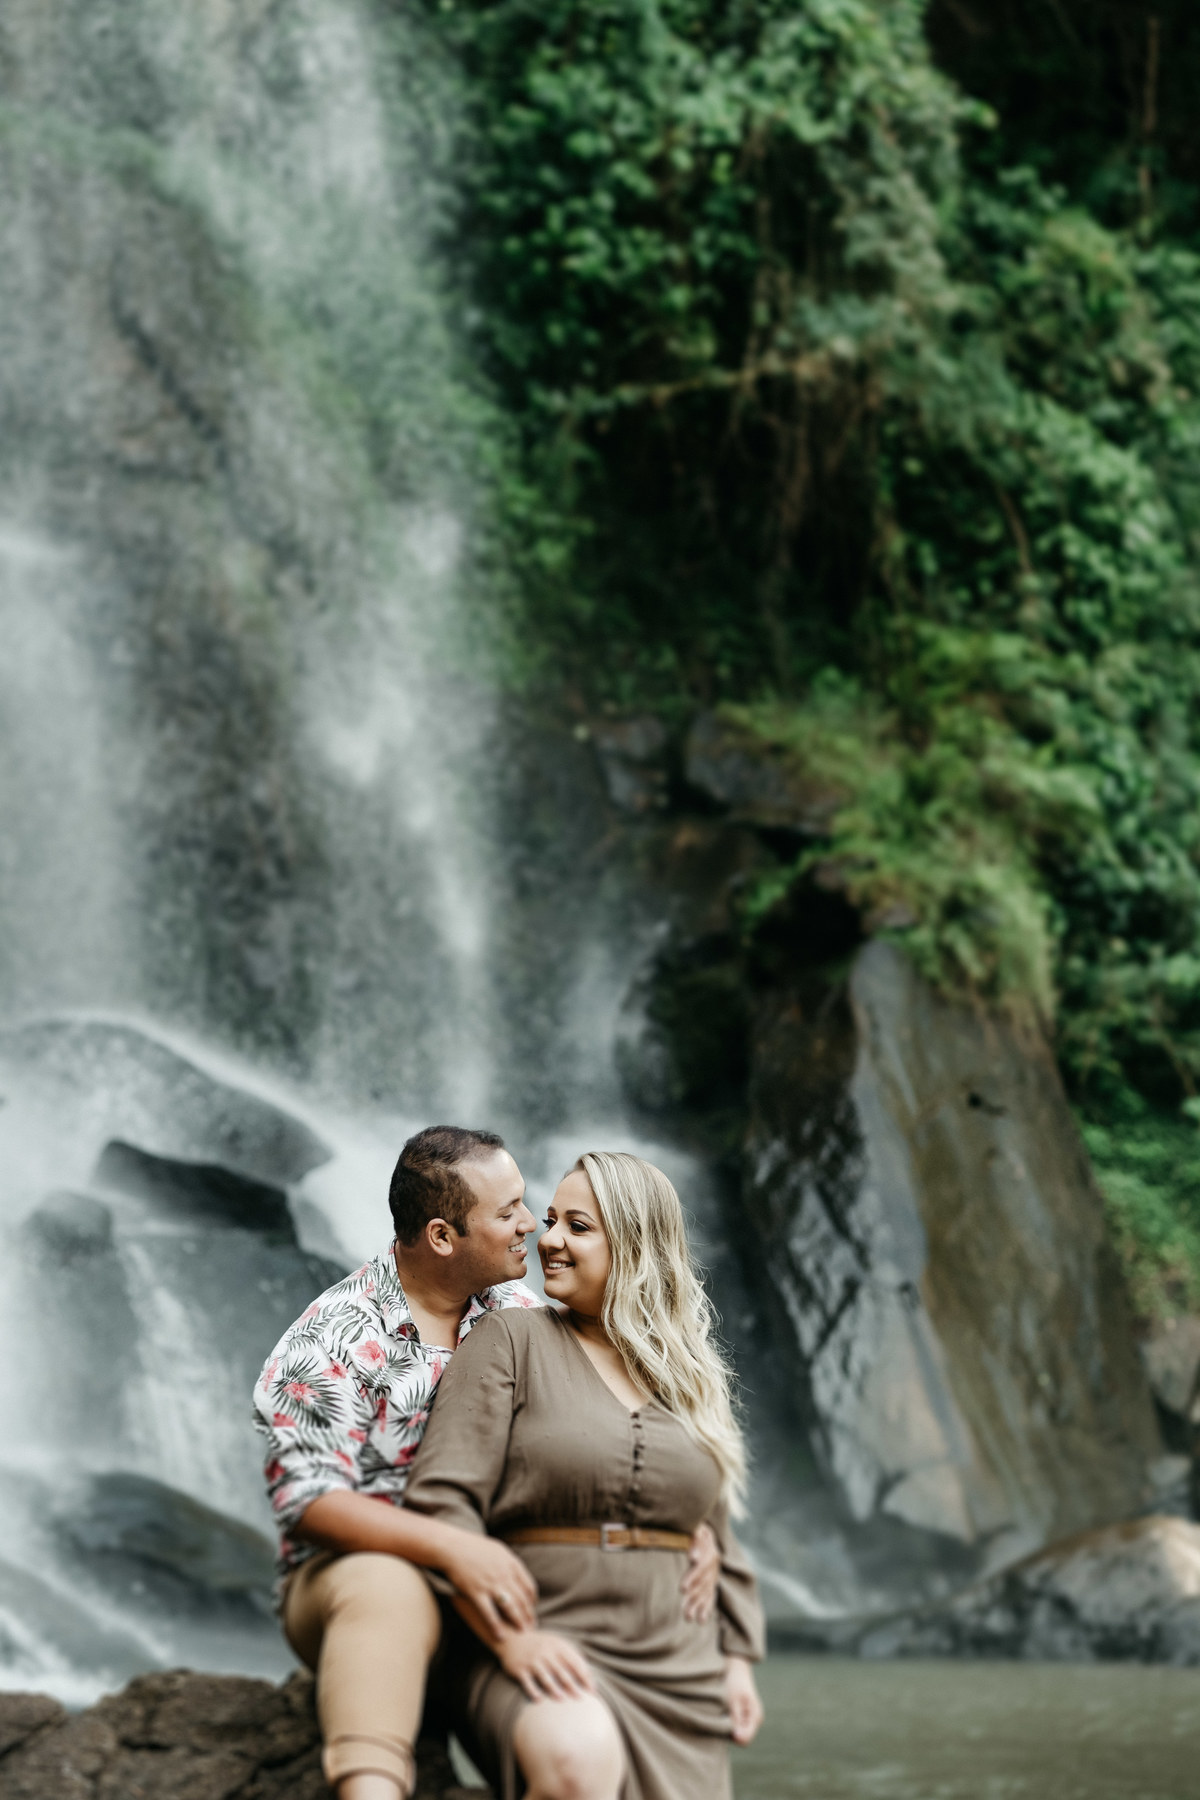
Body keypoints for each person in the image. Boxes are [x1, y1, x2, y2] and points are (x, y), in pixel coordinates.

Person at [252, 1126, 719, 1800]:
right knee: (391, 1583)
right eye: (509, 1213)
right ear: (443, 1237)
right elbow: (306, 1503)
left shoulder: (521, 1313)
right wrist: (448, 1547)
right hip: (350, 1589)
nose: (532, 1226)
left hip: (490, 1598)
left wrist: (679, 1525)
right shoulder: (335, 1335)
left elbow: (601, 1435)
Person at [402, 1149, 765, 1800]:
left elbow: (718, 1535)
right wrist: (510, 1641)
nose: (549, 1241)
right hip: (532, 1642)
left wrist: (736, 1663)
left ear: (635, 1244)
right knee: (577, 1758)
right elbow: (440, 1503)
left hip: (679, 1667)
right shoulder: (509, 1340)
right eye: (548, 1221)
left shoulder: (691, 1378)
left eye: (577, 1226)